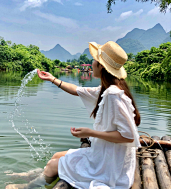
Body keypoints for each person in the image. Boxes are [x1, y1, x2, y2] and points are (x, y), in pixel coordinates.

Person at [7, 41, 141, 189]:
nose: (91, 63)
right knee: (57, 156)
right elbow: (77, 89)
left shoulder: (113, 95)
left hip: (111, 167)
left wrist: (91, 133)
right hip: (105, 154)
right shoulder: (106, 90)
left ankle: (28, 187)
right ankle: (33, 176)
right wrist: (52, 79)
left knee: (54, 164)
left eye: (95, 60)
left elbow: (129, 136)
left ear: (101, 66)